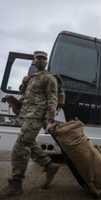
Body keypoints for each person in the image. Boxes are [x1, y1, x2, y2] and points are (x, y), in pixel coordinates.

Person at [0, 51, 59, 198]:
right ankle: (49, 165)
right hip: (26, 115)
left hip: (37, 117)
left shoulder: (49, 78)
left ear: (46, 62)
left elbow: (52, 100)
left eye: (43, 58)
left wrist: (50, 120)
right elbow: (25, 95)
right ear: (33, 60)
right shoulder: (30, 78)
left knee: (20, 147)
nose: (40, 60)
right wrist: (15, 95)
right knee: (29, 143)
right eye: (38, 58)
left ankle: (16, 183)